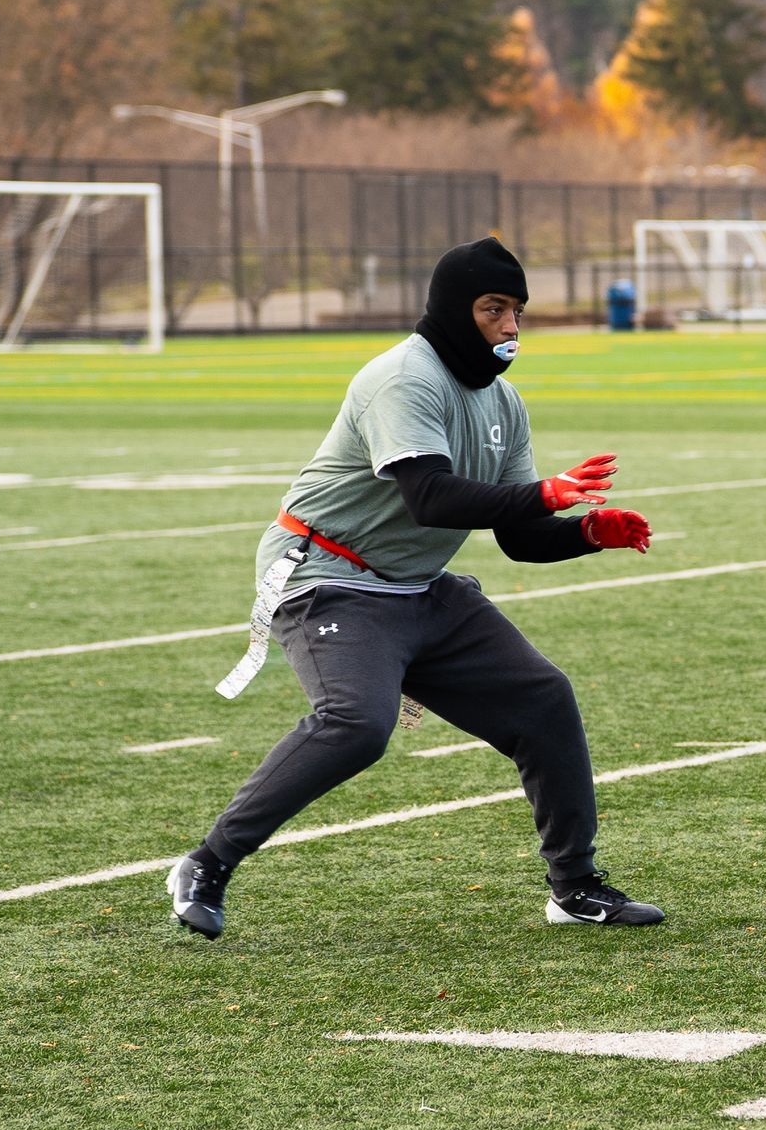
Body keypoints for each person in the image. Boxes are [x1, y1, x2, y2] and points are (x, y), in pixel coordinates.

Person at [170, 236, 664, 939]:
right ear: (454, 310)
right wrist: (547, 495)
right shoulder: (405, 377)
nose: (511, 325)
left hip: (419, 587)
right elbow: (429, 497)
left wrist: (587, 534)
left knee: (544, 701)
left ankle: (575, 885)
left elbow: (518, 539)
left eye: (517, 309)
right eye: (494, 308)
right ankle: (207, 864)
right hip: (327, 577)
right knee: (357, 724)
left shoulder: (503, 402)